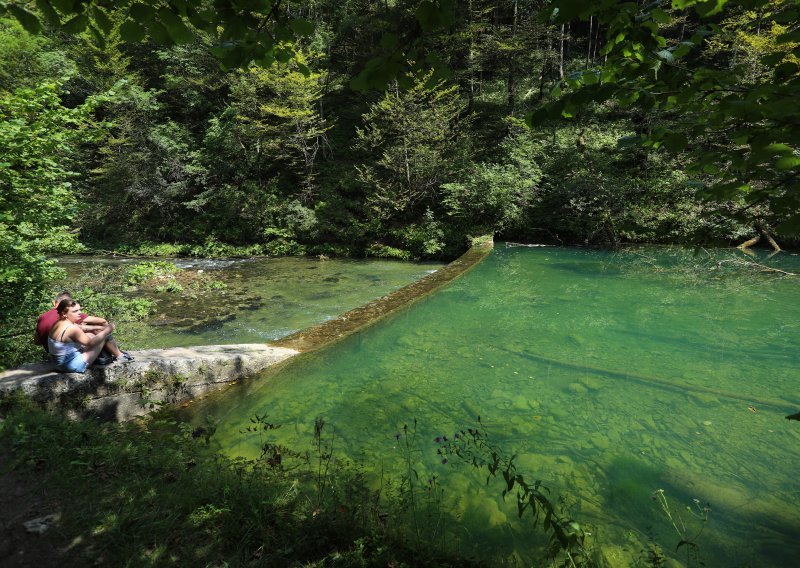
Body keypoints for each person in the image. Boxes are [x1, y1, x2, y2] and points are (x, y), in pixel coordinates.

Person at [35, 291, 132, 362]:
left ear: (54, 303)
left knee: (90, 328)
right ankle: (118, 355)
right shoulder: (68, 314)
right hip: (68, 356)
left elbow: (37, 341)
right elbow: (102, 321)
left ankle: (113, 353)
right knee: (99, 331)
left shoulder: (42, 317)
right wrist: (104, 330)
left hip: (54, 354)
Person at [48, 299, 118, 373]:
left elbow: (83, 327)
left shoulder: (58, 323)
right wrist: (107, 330)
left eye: (79, 310)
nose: (80, 313)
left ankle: (112, 356)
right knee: (103, 337)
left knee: (92, 334)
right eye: (75, 311)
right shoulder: (72, 329)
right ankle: (121, 356)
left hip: (57, 362)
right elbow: (91, 343)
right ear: (64, 314)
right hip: (70, 365)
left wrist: (100, 328)